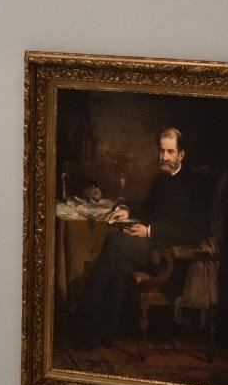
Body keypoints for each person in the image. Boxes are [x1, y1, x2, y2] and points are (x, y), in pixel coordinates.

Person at [69, 127, 213, 350]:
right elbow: (148, 208)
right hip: (152, 251)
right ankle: (101, 332)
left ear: (181, 154)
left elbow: (196, 232)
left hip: (174, 260)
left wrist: (149, 231)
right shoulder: (161, 180)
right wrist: (126, 210)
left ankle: (83, 315)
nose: (164, 157)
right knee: (120, 264)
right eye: (161, 151)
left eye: (170, 152)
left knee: (115, 242)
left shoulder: (195, 185)